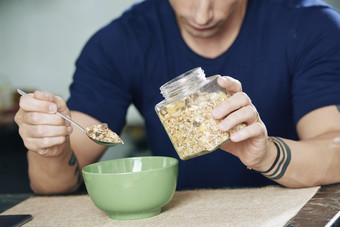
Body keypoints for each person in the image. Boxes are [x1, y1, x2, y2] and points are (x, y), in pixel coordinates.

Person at [15, 0, 340, 194]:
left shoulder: (310, 26)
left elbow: (334, 148)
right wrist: (50, 147)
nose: (202, 15)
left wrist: (266, 154)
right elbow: (56, 183)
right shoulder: (121, 40)